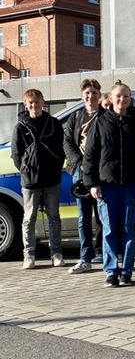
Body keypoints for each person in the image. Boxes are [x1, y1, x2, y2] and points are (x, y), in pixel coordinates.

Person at [83, 80, 135, 287]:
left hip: (131, 185)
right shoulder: (100, 123)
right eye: (118, 96)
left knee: (129, 228)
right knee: (109, 229)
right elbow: (90, 156)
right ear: (110, 99)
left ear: (130, 99)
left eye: (126, 96)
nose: (122, 99)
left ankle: (127, 271)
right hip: (107, 184)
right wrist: (92, 183)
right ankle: (111, 271)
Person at [11, 89, 65, 269]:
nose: (34, 106)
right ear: (26, 105)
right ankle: (29, 254)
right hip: (30, 180)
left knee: (54, 217)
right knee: (29, 218)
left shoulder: (54, 123)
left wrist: (56, 165)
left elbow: (61, 149)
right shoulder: (20, 126)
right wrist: (25, 170)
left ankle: (56, 252)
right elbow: (16, 154)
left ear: (43, 102)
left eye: (37, 102)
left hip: (51, 178)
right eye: (30, 103)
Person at [63, 78, 106, 274]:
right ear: (82, 95)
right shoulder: (75, 117)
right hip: (80, 171)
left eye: (94, 92)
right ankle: (85, 257)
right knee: (83, 217)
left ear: (100, 94)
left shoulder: (106, 116)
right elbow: (68, 143)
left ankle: (106, 254)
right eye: (87, 92)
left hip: (101, 171)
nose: (91, 96)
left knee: (103, 215)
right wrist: (79, 162)